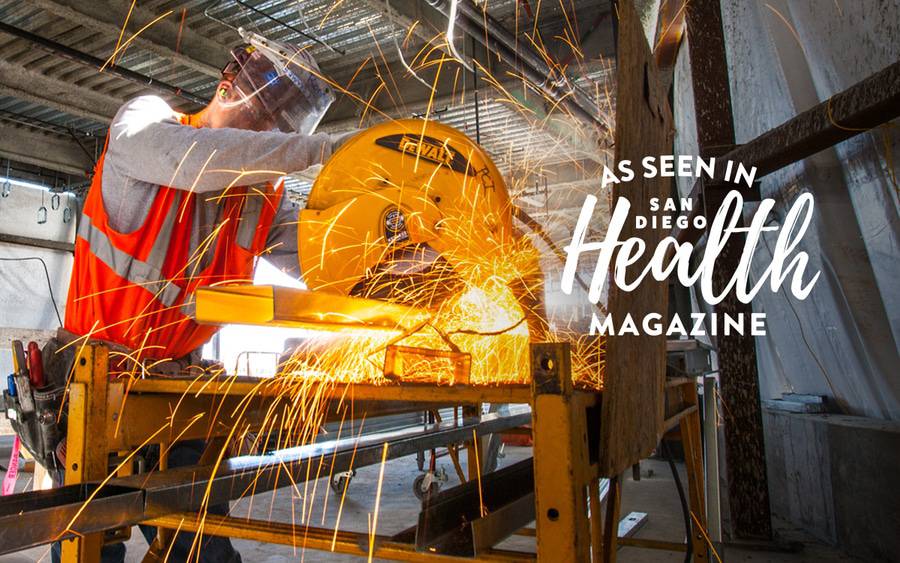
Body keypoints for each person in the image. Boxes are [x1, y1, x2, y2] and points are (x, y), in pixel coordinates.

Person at [53, 39, 352, 563]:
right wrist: (325, 150)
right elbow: (200, 161)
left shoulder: (259, 199)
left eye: (277, 133)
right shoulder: (145, 125)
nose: (264, 140)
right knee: (90, 550)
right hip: (95, 387)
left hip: (176, 394)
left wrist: (394, 259)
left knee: (204, 553)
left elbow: (324, 258)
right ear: (224, 88)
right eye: (259, 122)